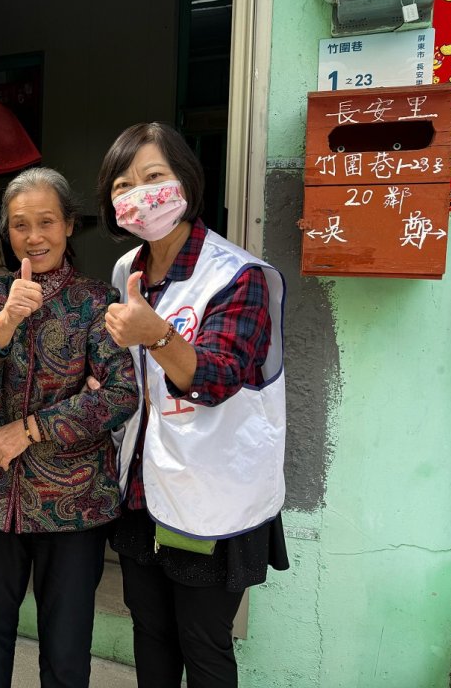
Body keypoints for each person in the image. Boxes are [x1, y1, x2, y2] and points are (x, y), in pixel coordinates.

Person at [96, 122, 289, 688]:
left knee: (203, 646)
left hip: (213, 497)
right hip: (143, 489)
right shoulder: (126, 270)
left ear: (186, 181)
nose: (140, 195)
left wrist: (157, 335)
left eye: (154, 177)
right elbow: (127, 371)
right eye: (123, 184)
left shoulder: (237, 276)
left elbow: (218, 379)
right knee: (150, 637)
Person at [0, 167, 138, 688]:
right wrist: (5, 322)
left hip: (74, 505)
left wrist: (29, 429)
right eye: (19, 225)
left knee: (66, 640)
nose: (33, 237)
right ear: (5, 232)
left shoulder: (96, 302)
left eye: (46, 222)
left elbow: (122, 393)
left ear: (69, 225)